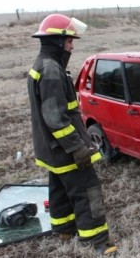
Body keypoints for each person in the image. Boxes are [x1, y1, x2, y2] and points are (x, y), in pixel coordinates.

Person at [27, 14, 116, 255]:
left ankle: (64, 228)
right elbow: (55, 118)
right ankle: (97, 241)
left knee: (59, 188)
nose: (72, 46)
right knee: (88, 191)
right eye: (69, 41)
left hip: (51, 149)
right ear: (57, 41)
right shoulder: (51, 70)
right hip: (65, 149)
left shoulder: (43, 64)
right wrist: (77, 147)